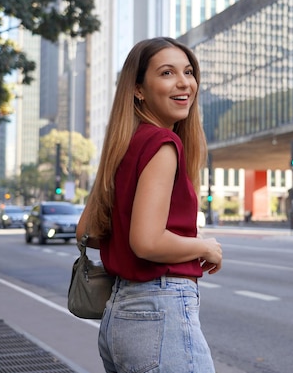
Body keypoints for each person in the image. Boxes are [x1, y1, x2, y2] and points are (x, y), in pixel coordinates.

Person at [76, 37, 223, 373]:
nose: (184, 82)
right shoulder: (162, 143)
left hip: (120, 315)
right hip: (160, 311)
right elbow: (147, 242)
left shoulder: (124, 143)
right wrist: (206, 247)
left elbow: (86, 232)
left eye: (188, 71)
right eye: (167, 73)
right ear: (139, 89)